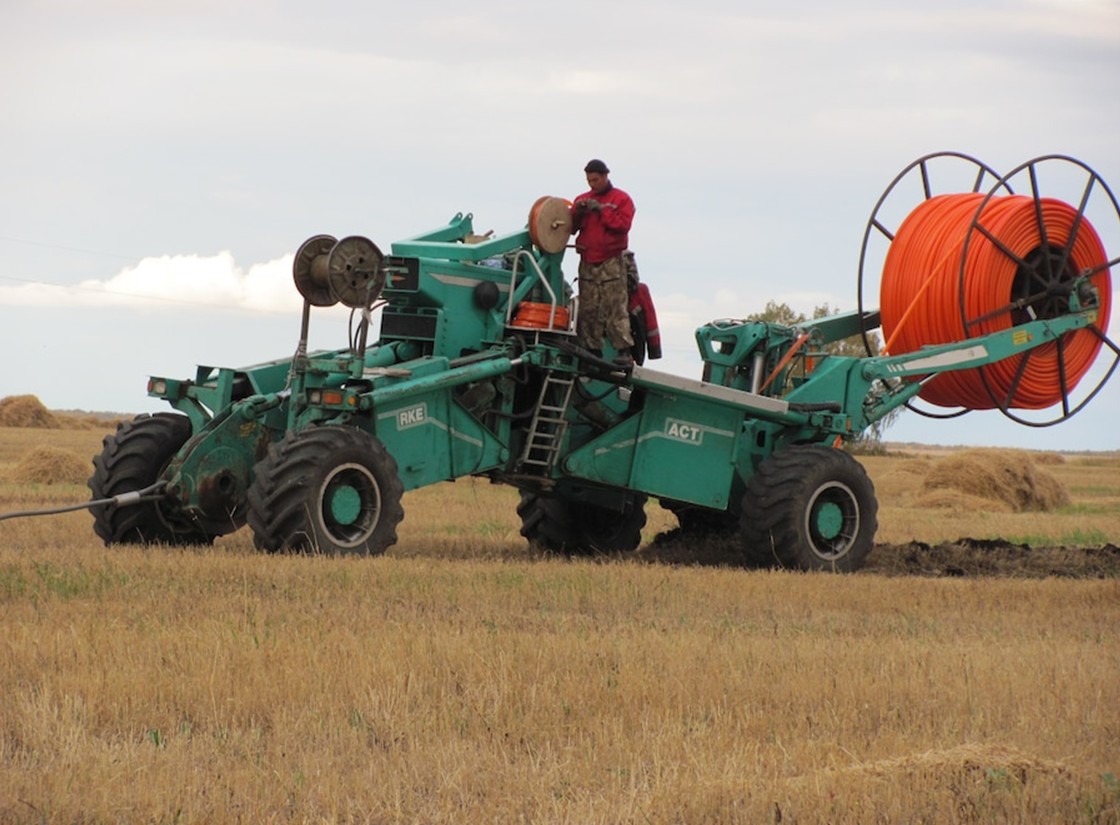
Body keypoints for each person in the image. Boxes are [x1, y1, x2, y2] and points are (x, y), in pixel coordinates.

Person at [570, 159, 636, 363]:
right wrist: (577, 212)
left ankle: (624, 350)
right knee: (589, 308)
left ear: (606, 176)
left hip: (611, 261)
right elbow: (571, 228)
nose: (592, 184)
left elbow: (622, 225)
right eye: (589, 180)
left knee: (615, 306)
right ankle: (591, 350)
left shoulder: (622, 199)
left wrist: (601, 210)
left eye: (595, 180)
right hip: (587, 259)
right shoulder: (582, 199)